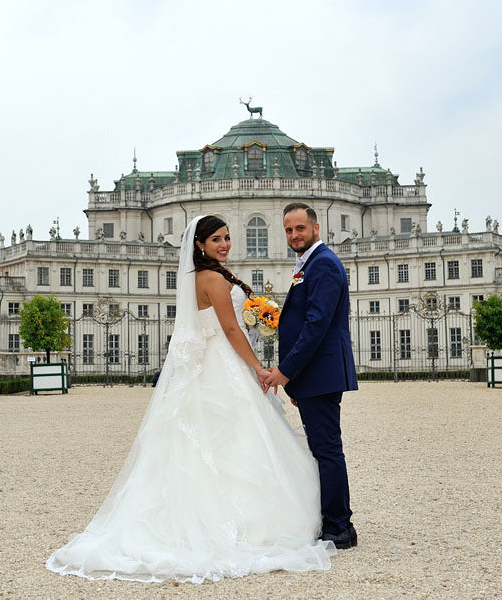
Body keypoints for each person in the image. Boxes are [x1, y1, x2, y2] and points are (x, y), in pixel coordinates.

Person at [46, 215, 335, 583]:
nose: (225, 244)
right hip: (223, 363)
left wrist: (253, 319)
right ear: (199, 245)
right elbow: (229, 329)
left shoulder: (201, 277)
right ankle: (248, 523)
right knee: (238, 436)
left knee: (212, 441)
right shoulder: (213, 278)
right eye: (216, 239)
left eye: (227, 237)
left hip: (213, 364)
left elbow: (226, 324)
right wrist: (259, 369)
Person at [259, 203, 359, 549]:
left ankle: (339, 527)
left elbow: (316, 325)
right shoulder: (309, 264)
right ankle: (335, 521)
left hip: (322, 372)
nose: (294, 235)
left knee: (327, 450)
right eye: (288, 230)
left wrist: (285, 372)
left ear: (316, 228)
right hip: (314, 374)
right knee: (323, 448)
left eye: (300, 228)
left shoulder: (325, 264)